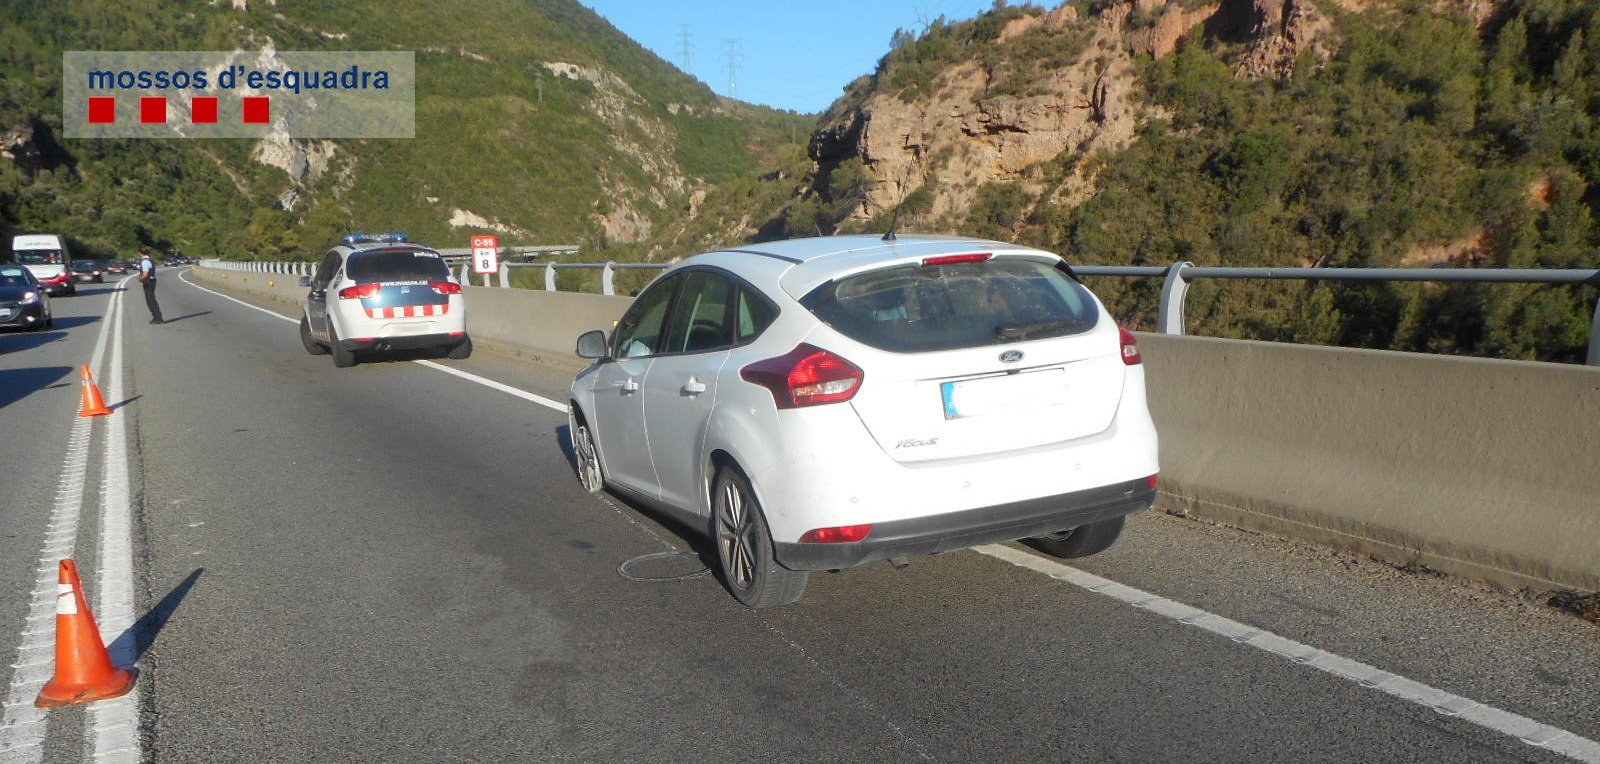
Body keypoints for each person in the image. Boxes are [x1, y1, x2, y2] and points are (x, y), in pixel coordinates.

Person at [137, 247, 163, 324]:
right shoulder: (150, 260)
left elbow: (145, 273)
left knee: (150, 300)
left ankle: (158, 318)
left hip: (148, 282)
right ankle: (156, 317)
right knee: (151, 299)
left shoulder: (144, 261)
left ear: (140, 253)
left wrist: (140, 279)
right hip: (152, 281)